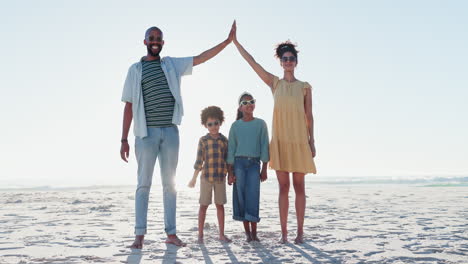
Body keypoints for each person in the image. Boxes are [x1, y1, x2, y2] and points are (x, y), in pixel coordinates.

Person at [120, 22, 235, 249]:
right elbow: (129, 105)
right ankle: (139, 236)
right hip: (145, 134)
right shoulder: (135, 70)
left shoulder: (171, 64)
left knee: (169, 185)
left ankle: (171, 234)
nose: (155, 41)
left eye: (158, 38)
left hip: (170, 132)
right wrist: (123, 139)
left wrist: (226, 42)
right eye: (151, 38)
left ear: (162, 43)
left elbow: (200, 58)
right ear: (145, 42)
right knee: (143, 184)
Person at [232, 22, 317, 244]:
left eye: (291, 59)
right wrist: (236, 42)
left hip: (299, 141)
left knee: (299, 187)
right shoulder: (275, 83)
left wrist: (312, 141)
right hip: (279, 141)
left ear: (296, 62)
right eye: (285, 59)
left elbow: (309, 117)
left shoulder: (305, 87)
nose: (288, 62)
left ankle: (299, 232)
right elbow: (253, 63)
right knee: (283, 188)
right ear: (281, 62)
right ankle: (284, 233)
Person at [227, 92, 269, 242]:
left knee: (253, 196)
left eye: (251, 101)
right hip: (238, 164)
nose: (249, 104)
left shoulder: (261, 124)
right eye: (245, 103)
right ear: (240, 107)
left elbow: (265, 146)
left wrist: (264, 168)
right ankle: (248, 234)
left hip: (254, 165)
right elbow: (231, 149)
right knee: (241, 197)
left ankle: (255, 233)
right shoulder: (235, 126)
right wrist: (229, 172)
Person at [188, 106, 231, 244]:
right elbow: (199, 161)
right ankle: (200, 235)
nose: (213, 127)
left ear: (220, 122)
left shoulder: (224, 140)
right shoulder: (203, 140)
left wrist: (231, 174)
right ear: (205, 125)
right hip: (206, 178)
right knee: (203, 206)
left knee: (220, 206)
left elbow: (228, 160)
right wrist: (194, 178)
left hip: (220, 178)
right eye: (210, 124)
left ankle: (221, 234)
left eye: (216, 123)